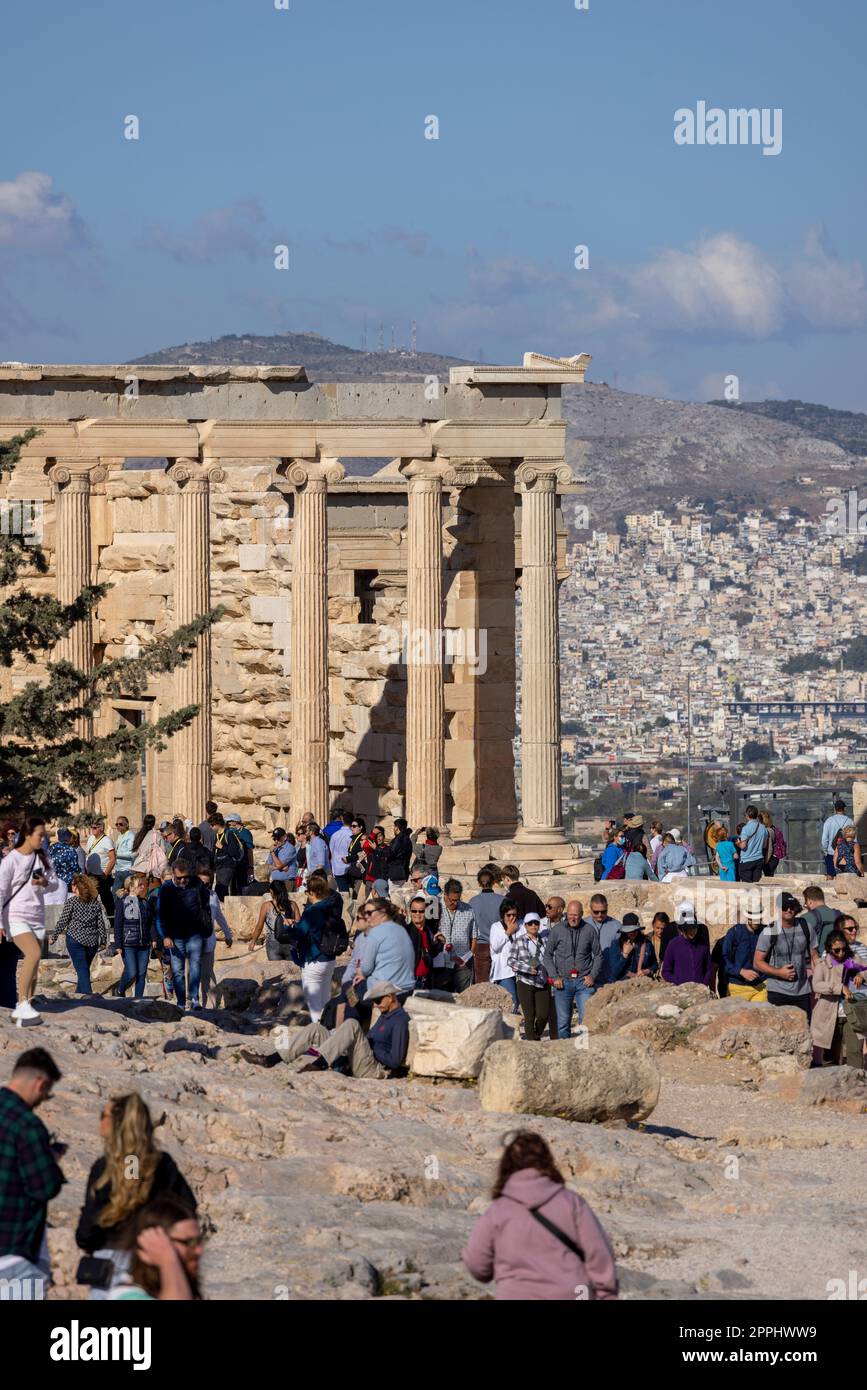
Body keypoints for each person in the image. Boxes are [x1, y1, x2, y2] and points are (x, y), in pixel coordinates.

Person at [462, 1130, 618, 1301]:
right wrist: (607, 1294)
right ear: (547, 1162)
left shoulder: (498, 1210)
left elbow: (476, 1262)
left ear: (506, 1165)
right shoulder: (572, 1203)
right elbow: (599, 1254)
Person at [75, 1093, 196, 1294]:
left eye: (102, 1115)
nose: (100, 1121)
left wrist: (89, 1241)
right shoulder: (162, 1164)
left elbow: (88, 1228)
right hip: (150, 1259)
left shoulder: (105, 1168)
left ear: (117, 1123)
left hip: (108, 1261)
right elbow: (187, 1209)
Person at [0, 1048, 65, 1296]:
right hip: (13, 1253)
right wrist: (51, 1160)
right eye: (46, 1095)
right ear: (41, 1084)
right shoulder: (27, 1125)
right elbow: (45, 1187)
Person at [244, 979, 410, 1077]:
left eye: (378, 1000)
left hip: (373, 1069)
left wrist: (370, 1046)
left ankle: (319, 1064)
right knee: (316, 1028)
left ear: (390, 997)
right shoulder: (384, 1015)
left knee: (352, 1024)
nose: (375, 1004)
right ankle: (270, 1060)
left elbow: (395, 1060)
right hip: (357, 1059)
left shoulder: (400, 1020)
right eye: (374, 1001)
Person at [0, 815, 59, 1021]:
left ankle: (21, 1004)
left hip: (35, 916)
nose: (43, 839)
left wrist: (44, 883)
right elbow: (1, 891)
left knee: (23, 966)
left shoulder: (41, 858)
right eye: (40, 835)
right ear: (26, 834)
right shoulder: (11, 860)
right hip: (14, 916)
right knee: (32, 954)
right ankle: (21, 1004)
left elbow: (54, 884)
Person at [108, 1195, 201, 1301]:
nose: (199, 1250)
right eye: (189, 1242)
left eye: (199, 1241)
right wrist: (168, 1260)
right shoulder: (126, 1296)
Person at [282, 872, 345, 1022]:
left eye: (308, 891)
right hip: (329, 959)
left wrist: (288, 927)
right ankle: (329, 1034)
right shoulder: (332, 905)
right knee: (325, 1001)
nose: (307, 895)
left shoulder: (312, 911)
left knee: (315, 1007)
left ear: (314, 892)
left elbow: (299, 933)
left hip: (314, 959)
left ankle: (319, 1039)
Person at [156, 861, 211, 1011]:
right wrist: (165, 936)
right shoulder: (166, 889)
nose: (182, 881)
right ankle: (181, 1002)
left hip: (194, 933)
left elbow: (205, 902)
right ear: (173, 874)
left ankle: (194, 998)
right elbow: (160, 915)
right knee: (178, 970)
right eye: (179, 878)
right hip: (175, 936)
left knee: (195, 965)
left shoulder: (196, 884)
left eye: (185, 877)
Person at [543, 899, 601, 1036]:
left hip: (583, 982)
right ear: (565, 913)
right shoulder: (557, 930)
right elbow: (547, 955)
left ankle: (584, 1052)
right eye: (570, 914)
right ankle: (565, 1052)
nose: (572, 918)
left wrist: (592, 976)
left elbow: (598, 955)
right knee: (562, 1023)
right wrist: (554, 976)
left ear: (581, 914)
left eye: (576, 915)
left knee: (585, 1021)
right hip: (563, 982)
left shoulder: (589, 930)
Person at [753, 892, 816, 1014]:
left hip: (802, 991)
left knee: (804, 1030)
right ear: (778, 908)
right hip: (777, 991)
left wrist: (819, 980)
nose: (788, 909)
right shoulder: (769, 931)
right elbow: (757, 963)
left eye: (791, 906)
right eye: (784, 906)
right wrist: (779, 972)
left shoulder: (805, 927)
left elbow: (814, 956)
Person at [49, 874, 109, 997]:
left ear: (76, 887)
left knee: (82, 970)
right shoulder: (95, 903)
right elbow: (100, 923)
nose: (71, 887)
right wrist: (103, 940)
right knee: (84, 970)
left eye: (72, 885)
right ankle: (79, 996)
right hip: (92, 942)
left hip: (75, 941)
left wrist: (54, 936)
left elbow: (63, 921)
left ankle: (88, 996)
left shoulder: (72, 902)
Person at [353, 897, 417, 998]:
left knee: (349, 989)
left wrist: (359, 970)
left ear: (382, 912)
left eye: (369, 913)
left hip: (386, 991)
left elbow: (366, 969)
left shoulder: (376, 932)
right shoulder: (401, 929)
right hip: (407, 989)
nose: (367, 917)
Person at [111, 873, 158, 999]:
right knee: (132, 972)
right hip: (128, 944)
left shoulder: (145, 903)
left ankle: (138, 1000)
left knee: (141, 974)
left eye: (143, 885)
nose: (143, 887)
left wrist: (153, 938)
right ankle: (120, 989)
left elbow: (151, 922)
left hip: (144, 944)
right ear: (131, 887)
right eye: (140, 885)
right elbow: (118, 925)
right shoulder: (122, 903)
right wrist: (118, 944)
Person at [809, 932, 853, 1067]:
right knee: (830, 1055)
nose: (841, 953)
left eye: (843, 949)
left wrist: (861, 975)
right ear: (829, 948)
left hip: (850, 1011)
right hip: (829, 1013)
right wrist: (839, 987)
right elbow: (816, 985)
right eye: (837, 950)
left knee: (853, 1051)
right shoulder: (822, 965)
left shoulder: (850, 961)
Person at [508, 913, 551, 1040]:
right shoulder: (519, 941)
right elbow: (510, 960)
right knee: (529, 1015)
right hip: (525, 981)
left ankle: (536, 1034)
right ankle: (531, 1041)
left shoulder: (545, 941)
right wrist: (527, 969)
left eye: (536, 923)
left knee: (543, 1015)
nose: (533, 926)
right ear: (525, 925)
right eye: (530, 923)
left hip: (541, 981)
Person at [197, 867, 233, 1008]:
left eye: (207, 883)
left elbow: (219, 916)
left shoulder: (213, 896)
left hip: (208, 941)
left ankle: (210, 1005)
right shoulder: (189, 895)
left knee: (207, 973)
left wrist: (228, 934)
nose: (205, 886)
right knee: (191, 974)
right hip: (192, 941)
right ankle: (190, 1003)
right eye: (201, 883)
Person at [432, 879, 476, 993]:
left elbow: (474, 935)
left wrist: (470, 954)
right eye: (452, 900)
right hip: (441, 962)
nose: (454, 903)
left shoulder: (468, 909)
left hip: (462, 963)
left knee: (463, 997)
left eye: (457, 900)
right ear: (445, 895)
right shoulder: (435, 907)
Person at [720, 906, 768, 1001]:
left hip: (761, 986)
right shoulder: (734, 932)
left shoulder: (766, 931)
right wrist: (741, 971)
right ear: (748, 918)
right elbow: (724, 959)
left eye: (759, 918)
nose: (756, 921)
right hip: (738, 987)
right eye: (754, 919)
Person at [248, 879, 300, 961]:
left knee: (275, 968)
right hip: (290, 941)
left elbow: (259, 927)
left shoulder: (266, 906)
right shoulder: (293, 905)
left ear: (271, 892)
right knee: (291, 971)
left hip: (273, 941)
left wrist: (253, 941)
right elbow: (299, 924)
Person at [597, 918, 657, 985]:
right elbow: (614, 972)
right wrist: (625, 955)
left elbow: (654, 964)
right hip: (622, 984)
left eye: (635, 930)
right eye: (630, 930)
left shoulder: (647, 943)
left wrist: (648, 971)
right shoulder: (616, 944)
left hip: (643, 983)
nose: (632, 932)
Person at [469, 869, 503, 984]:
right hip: (500, 945)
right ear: (493, 882)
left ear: (479, 883)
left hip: (480, 946)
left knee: (482, 982)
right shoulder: (502, 900)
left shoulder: (473, 902)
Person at [661, 914, 713, 987]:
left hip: (700, 991)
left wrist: (704, 983)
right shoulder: (674, 944)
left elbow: (708, 968)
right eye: (689, 928)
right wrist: (678, 982)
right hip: (681, 992)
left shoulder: (703, 944)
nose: (692, 931)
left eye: (694, 928)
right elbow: (666, 972)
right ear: (682, 929)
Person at [489, 901, 520, 1008]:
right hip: (504, 972)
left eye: (514, 915)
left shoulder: (521, 926)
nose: (511, 918)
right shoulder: (496, 927)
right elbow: (495, 946)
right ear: (503, 915)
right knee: (512, 1002)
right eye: (508, 915)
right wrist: (508, 932)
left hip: (521, 971)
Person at [212, 814, 245, 900]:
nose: (211, 827)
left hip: (227, 867)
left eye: (212, 825)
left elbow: (233, 852)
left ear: (217, 824)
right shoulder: (216, 835)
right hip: (219, 867)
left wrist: (222, 847)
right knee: (220, 892)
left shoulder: (229, 834)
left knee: (221, 891)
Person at [800, 886, 840, 955]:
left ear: (809, 902)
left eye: (805, 904)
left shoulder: (806, 918)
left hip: (818, 961)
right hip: (840, 958)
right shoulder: (840, 914)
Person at [822, 799, 854, 878]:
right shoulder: (850, 821)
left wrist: (825, 851)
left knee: (830, 875)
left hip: (831, 852)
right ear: (844, 808)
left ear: (835, 809)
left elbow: (824, 839)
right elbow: (854, 839)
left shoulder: (829, 821)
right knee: (846, 877)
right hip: (846, 853)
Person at [130, 814, 168, 879]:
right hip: (151, 870)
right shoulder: (157, 835)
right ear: (154, 823)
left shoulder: (138, 835)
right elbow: (163, 851)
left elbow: (133, 854)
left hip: (138, 867)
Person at [226, 812, 254, 892]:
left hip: (243, 865)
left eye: (230, 822)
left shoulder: (245, 833)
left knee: (242, 889)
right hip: (233, 865)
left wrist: (250, 867)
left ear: (235, 822)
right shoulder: (231, 832)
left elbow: (249, 850)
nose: (228, 824)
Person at [48, 828, 79, 899]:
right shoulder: (71, 851)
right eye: (71, 836)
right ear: (68, 838)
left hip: (54, 883)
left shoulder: (51, 849)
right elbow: (75, 870)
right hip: (68, 885)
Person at [386, 817, 413, 894]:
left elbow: (391, 853)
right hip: (402, 871)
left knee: (392, 894)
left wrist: (379, 850)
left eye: (394, 827)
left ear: (397, 827)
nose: (393, 829)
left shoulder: (399, 839)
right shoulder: (407, 838)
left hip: (396, 872)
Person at [329, 813, 354, 893]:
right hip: (350, 867)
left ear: (342, 820)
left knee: (343, 893)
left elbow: (331, 852)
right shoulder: (352, 835)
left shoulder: (334, 835)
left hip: (337, 868)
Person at [112, 817, 136, 896]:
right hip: (118, 869)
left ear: (127, 825)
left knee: (128, 894)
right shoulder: (120, 836)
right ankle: (118, 908)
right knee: (116, 894)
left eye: (121, 824)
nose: (118, 826)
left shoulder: (131, 836)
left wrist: (117, 855)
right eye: (117, 824)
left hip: (127, 870)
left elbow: (132, 854)